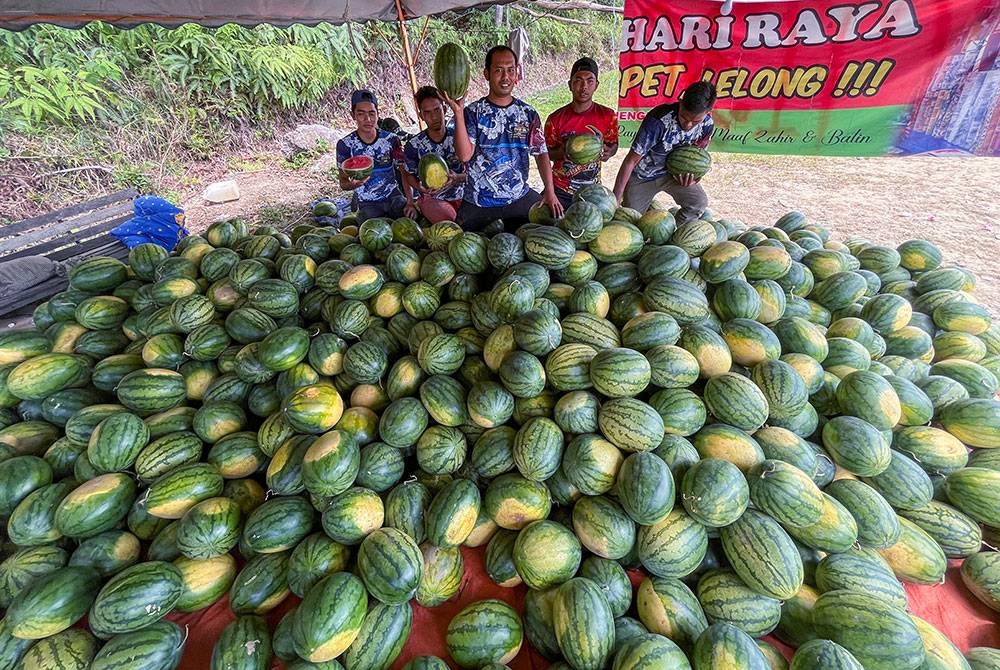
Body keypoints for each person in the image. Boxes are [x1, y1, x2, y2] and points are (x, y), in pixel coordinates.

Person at [443, 45, 564, 232]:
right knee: (465, 249)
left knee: (549, 232)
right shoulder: (472, 113)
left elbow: (541, 154)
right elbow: (465, 155)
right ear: (486, 74)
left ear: (517, 74)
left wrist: (549, 191)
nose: (505, 76)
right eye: (498, 70)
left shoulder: (528, 114)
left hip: (518, 197)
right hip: (478, 201)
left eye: (510, 70)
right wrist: (458, 113)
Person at [613, 81, 717, 223]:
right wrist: (615, 198)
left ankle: (675, 237)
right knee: (629, 222)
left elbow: (698, 160)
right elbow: (631, 160)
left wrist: (694, 178)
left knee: (698, 203)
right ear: (680, 103)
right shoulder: (658, 120)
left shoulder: (707, 125)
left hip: (674, 175)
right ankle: (646, 208)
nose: (688, 125)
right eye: (684, 117)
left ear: (708, 112)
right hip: (643, 176)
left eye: (695, 121)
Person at [544, 57, 620, 207]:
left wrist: (609, 152)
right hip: (560, 189)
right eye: (578, 80)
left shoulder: (608, 116)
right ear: (570, 85)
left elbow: (614, 144)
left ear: (596, 85)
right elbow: (545, 154)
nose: (584, 86)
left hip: (592, 190)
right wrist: (562, 152)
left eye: (590, 81)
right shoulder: (555, 119)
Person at [336, 89, 406, 221]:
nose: (367, 119)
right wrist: (355, 184)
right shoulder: (345, 145)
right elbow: (343, 183)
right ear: (353, 115)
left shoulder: (391, 139)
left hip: (393, 197)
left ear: (378, 114)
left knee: (408, 222)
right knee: (369, 230)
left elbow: (404, 172)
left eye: (372, 113)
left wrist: (410, 202)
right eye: (361, 114)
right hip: (367, 202)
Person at [401, 86, 467, 224]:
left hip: (464, 195)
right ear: (421, 116)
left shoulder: (460, 137)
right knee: (453, 225)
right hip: (434, 199)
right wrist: (420, 188)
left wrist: (457, 178)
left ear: (445, 109)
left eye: (437, 110)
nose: (434, 117)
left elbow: (475, 171)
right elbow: (408, 175)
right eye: (428, 112)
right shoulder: (414, 145)